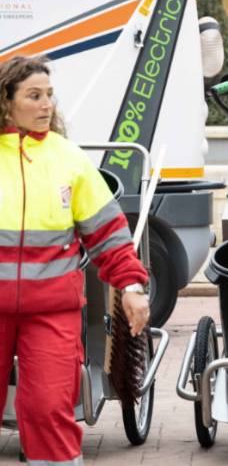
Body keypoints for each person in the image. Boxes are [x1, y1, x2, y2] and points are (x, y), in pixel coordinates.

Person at [0, 56, 150, 465]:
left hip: (52, 309)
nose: (46, 104)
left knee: (48, 409)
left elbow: (108, 233)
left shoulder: (69, 159)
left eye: (49, 95)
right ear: (6, 102)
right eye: (34, 96)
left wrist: (131, 286)